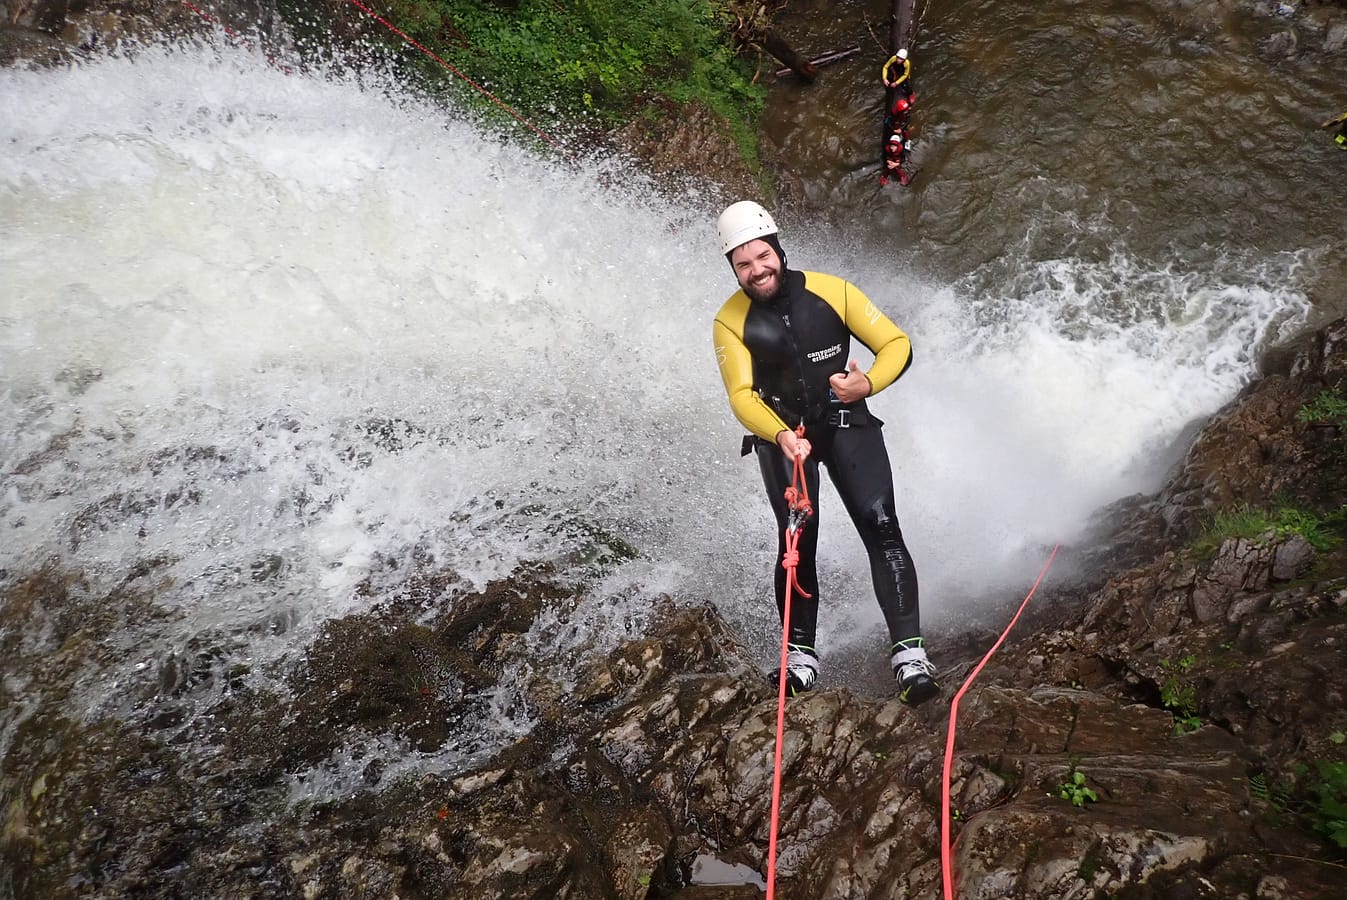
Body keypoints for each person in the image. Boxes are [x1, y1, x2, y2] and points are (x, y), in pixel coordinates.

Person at [710, 200, 939, 705]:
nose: (756, 270)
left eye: (762, 256)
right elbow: (741, 396)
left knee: (881, 525)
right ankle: (799, 656)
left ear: (778, 249)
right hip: (785, 438)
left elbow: (896, 343)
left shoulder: (832, 291)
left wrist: (867, 385)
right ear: (732, 267)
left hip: (847, 424)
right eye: (743, 264)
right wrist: (782, 437)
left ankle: (909, 653)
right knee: (798, 538)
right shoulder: (730, 320)